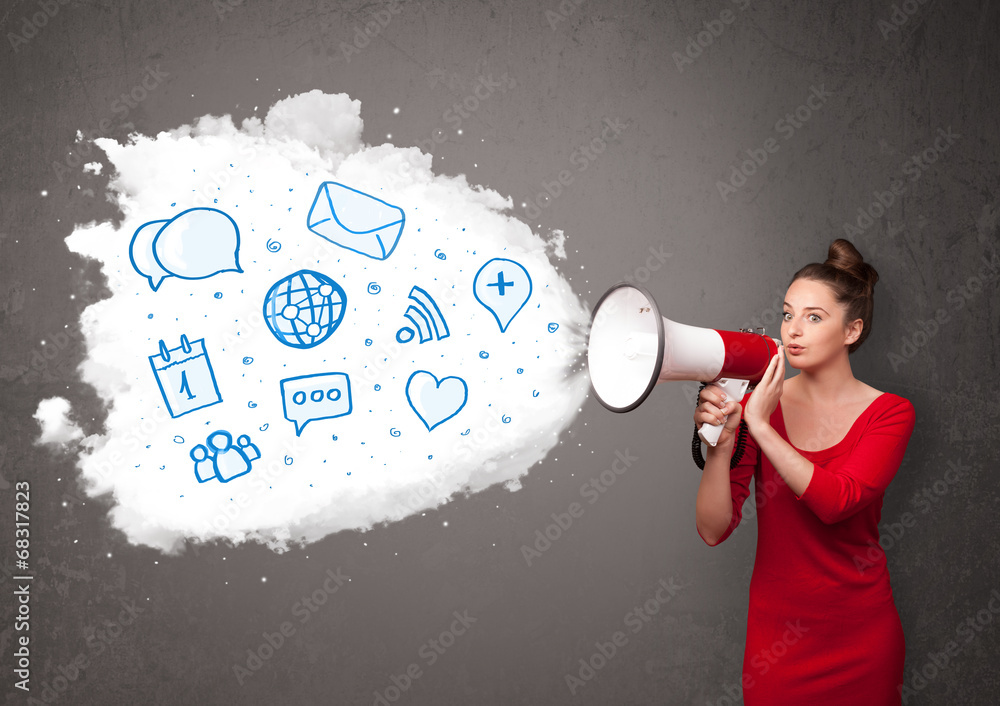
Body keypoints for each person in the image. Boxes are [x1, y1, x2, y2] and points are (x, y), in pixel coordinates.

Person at [694, 238, 916, 705]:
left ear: (852, 330)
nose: (793, 330)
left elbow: (837, 502)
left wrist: (759, 423)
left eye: (814, 317)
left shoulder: (890, 413)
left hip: (863, 641)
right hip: (777, 647)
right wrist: (723, 446)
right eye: (788, 313)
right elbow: (713, 528)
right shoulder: (759, 407)